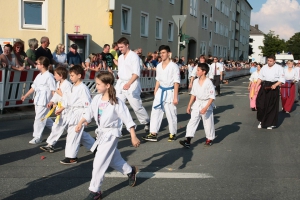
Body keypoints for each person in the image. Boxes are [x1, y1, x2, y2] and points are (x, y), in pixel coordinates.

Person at [76, 72, 140, 199]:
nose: (96, 86)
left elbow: (127, 119)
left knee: (99, 161)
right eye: (96, 84)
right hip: (102, 133)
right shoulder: (97, 99)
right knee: (112, 158)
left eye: (99, 84)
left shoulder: (116, 102)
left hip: (111, 134)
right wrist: (81, 122)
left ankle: (95, 191)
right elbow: (89, 113)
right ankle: (130, 171)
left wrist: (133, 135)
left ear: (107, 85)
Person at [55, 65, 95, 164]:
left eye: (72, 75)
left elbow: (88, 105)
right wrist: (61, 108)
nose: (71, 77)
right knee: (79, 135)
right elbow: (67, 100)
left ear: (79, 75)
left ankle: (71, 157)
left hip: (79, 113)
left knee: (73, 136)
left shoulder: (83, 88)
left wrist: (86, 118)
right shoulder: (72, 87)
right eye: (70, 75)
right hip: (72, 113)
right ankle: (96, 148)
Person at [142, 45, 180, 142]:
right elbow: (158, 80)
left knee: (171, 113)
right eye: (160, 53)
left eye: (163, 53)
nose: (162, 55)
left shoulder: (174, 66)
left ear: (168, 53)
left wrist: (175, 97)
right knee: (155, 112)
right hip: (160, 91)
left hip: (170, 91)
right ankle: (153, 133)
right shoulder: (158, 66)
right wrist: (155, 90)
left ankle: (173, 133)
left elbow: (176, 82)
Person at [115, 37, 150, 131]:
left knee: (136, 106)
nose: (120, 49)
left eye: (122, 47)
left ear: (127, 45)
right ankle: (119, 126)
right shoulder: (120, 57)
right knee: (118, 105)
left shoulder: (134, 56)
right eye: (119, 47)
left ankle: (146, 121)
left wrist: (129, 83)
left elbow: (136, 73)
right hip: (121, 83)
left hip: (132, 83)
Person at [179, 63, 215, 148]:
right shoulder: (195, 81)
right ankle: (188, 140)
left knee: (207, 123)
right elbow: (193, 94)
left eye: (198, 70)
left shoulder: (209, 82)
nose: (196, 72)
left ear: (204, 72)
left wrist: (206, 108)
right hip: (197, 103)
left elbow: (212, 97)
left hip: (206, 103)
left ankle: (209, 138)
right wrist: (189, 106)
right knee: (192, 121)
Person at [21, 56, 56, 144]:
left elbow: (53, 90)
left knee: (38, 118)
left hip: (45, 100)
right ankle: (57, 130)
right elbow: (33, 87)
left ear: (43, 65)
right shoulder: (39, 75)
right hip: (38, 99)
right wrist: (25, 95)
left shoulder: (49, 76)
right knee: (45, 118)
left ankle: (37, 137)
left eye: (38, 64)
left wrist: (54, 101)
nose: (36, 65)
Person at [40, 66, 72, 153]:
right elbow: (56, 96)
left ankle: (50, 145)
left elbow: (69, 99)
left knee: (59, 127)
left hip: (66, 110)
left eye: (55, 75)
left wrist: (60, 94)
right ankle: (50, 145)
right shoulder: (58, 84)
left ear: (61, 76)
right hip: (60, 108)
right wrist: (52, 101)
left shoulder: (68, 85)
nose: (54, 76)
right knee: (60, 127)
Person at [255, 55, 285, 129]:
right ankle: (261, 120)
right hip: (264, 86)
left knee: (271, 105)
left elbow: (282, 79)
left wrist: (276, 84)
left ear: (274, 61)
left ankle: (270, 123)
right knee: (260, 104)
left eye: (271, 61)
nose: (269, 62)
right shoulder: (264, 67)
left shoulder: (279, 68)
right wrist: (256, 87)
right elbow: (260, 78)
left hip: (273, 87)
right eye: (268, 60)